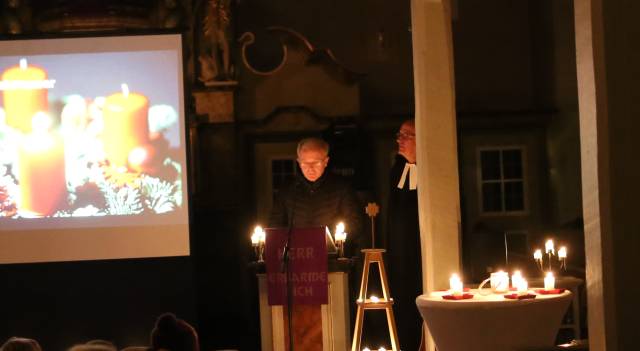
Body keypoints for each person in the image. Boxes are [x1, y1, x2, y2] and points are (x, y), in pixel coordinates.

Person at [269, 137, 364, 255]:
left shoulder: (341, 187)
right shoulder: (288, 190)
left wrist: (334, 241)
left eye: (316, 163)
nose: (310, 169)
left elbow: (355, 223)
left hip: (332, 258)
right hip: (297, 257)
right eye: (305, 163)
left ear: (326, 162)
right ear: (298, 162)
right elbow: (275, 225)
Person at [386, 119, 424, 351]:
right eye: (399, 134)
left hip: (420, 250)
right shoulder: (397, 170)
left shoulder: (430, 172)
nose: (400, 140)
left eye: (406, 135)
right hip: (400, 252)